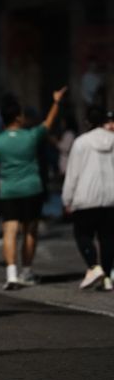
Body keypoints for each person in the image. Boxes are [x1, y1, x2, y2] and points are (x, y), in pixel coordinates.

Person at [0, 86, 67, 290]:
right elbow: (48, 123)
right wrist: (56, 101)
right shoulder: (31, 135)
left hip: (9, 190)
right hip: (32, 189)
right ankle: (27, 271)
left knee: (10, 230)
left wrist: (7, 167)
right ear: (18, 118)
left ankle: (11, 274)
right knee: (30, 230)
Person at [62, 106, 114, 291]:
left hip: (86, 197)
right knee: (107, 238)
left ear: (87, 122)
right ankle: (107, 277)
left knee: (82, 234)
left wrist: (67, 199)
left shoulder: (81, 142)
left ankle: (93, 266)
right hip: (110, 197)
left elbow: (73, 174)